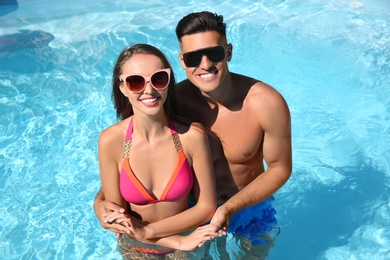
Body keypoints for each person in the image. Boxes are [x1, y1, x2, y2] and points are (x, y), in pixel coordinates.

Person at [95, 11, 292, 257]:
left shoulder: (265, 103)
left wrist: (229, 208)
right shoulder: (168, 98)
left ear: (228, 52)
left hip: (248, 205)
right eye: (193, 57)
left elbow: (280, 168)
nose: (205, 64)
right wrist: (101, 202)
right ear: (181, 60)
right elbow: (129, 155)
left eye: (215, 53)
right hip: (191, 210)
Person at [98, 43, 219, 258]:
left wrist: (151, 232)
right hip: (137, 248)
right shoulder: (111, 141)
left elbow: (206, 207)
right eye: (135, 82)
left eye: (159, 78)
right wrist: (178, 240)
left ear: (169, 81)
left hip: (188, 250)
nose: (149, 89)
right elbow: (119, 219)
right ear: (122, 87)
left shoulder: (191, 137)